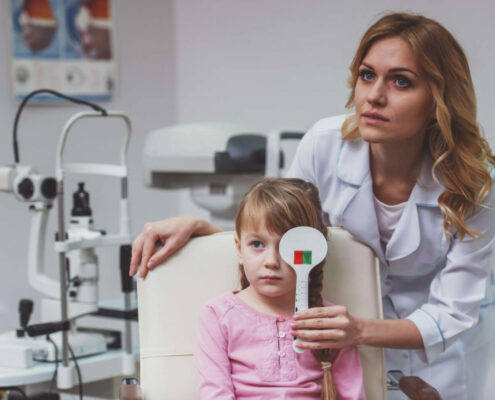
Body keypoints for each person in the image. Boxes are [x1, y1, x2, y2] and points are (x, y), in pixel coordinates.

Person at [130, 12, 495, 399]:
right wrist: (203, 229)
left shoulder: (474, 184)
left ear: (439, 99)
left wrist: (358, 331)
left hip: (440, 358)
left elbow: (454, 312)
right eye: (367, 75)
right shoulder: (325, 145)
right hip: (340, 350)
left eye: (401, 81)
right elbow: (281, 227)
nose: (373, 95)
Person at [195, 178, 366, 399]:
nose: (271, 261)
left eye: (288, 248)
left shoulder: (331, 322)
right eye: (257, 244)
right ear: (239, 249)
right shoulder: (217, 315)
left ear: (309, 254)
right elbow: (213, 393)